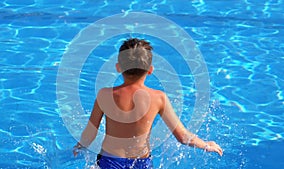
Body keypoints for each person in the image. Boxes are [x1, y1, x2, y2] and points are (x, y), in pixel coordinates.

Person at [73, 38, 223, 168]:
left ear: (118, 68)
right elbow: (183, 137)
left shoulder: (105, 95)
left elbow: (90, 133)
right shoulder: (158, 98)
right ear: (150, 70)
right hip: (141, 163)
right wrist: (205, 145)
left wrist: (80, 146)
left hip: (109, 162)